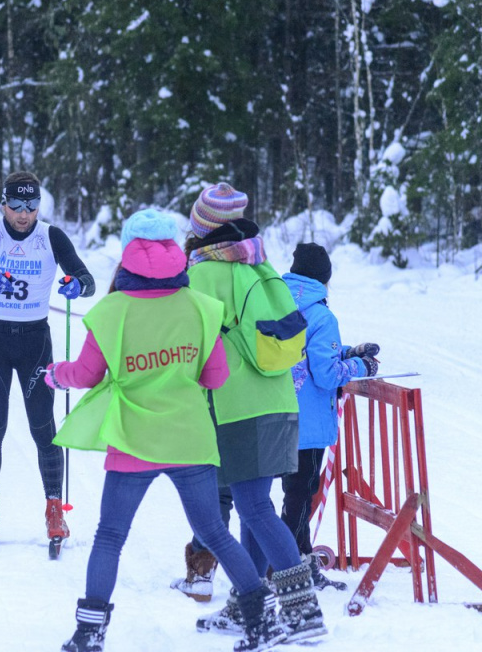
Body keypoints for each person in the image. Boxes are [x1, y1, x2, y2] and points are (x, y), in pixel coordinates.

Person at [49, 208, 286, 652]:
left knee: (110, 536)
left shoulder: (110, 312)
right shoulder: (199, 306)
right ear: (177, 253)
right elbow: (215, 377)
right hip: (189, 435)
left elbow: (84, 374)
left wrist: (54, 374)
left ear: (125, 255)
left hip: (132, 438)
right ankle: (262, 620)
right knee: (214, 531)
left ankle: (89, 632)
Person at [182, 183, 326, 643]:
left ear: (202, 226)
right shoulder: (258, 263)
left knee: (255, 508)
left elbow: (192, 343)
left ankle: (302, 612)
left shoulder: (205, 273)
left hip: (238, 406)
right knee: (253, 507)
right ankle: (249, 604)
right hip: (280, 402)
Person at [0, 171, 95, 547]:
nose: (23, 213)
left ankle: (54, 512)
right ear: (4, 204)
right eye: (16, 205)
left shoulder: (50, 236)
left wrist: (77, 285)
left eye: (31, 206)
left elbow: (86, 278)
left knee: (44, 429)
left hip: (35, 341)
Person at [281, 242, 379, 591]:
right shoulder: (322, 315)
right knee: (300, 496)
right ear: (324, 278)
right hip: (307, 425)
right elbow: (324, 374)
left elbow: (305, 353)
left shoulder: (275, 300)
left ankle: (301, 565)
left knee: (297, 494)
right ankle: (282, 569)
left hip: (274, 415)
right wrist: (359, 365)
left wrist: (346, 350)